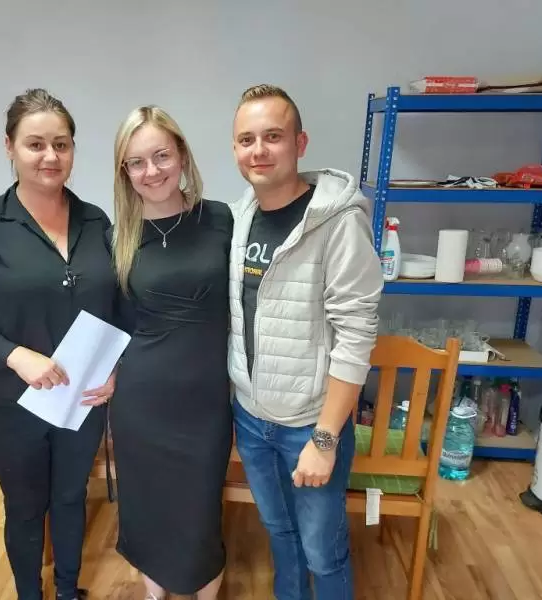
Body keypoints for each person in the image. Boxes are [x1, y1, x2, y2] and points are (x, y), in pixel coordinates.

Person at [0, 88, 118, 600]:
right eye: (35, 144)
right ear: (9, 147)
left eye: (61, 144)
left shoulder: (96, 221)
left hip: (82, 396)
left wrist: (115, 368)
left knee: (70, 497)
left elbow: (115, 303)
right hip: (11, 401)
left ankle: (67, 591)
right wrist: (16, 356)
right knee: (24, 506)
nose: (50, 156)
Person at [228, 84, 383, 600]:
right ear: (235, 149)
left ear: (300, 143)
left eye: (273, 136)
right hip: (252, 418)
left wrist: (325, 438)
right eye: (246, 139)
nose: (259, 150)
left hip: (309, 425)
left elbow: (356, 336)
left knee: (323, 553)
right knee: (280, 534)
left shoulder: (338, 221)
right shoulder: (240, 216)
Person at [107, 106, 233, 600]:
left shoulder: (221, 219)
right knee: (148, 507)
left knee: (201, 511)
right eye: (136, 162)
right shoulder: (118, 237)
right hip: (142, 401)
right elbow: (117, 321)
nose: (151, 171)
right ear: (125, 171)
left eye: (161, 155)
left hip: (205, 400)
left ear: (181, 154)